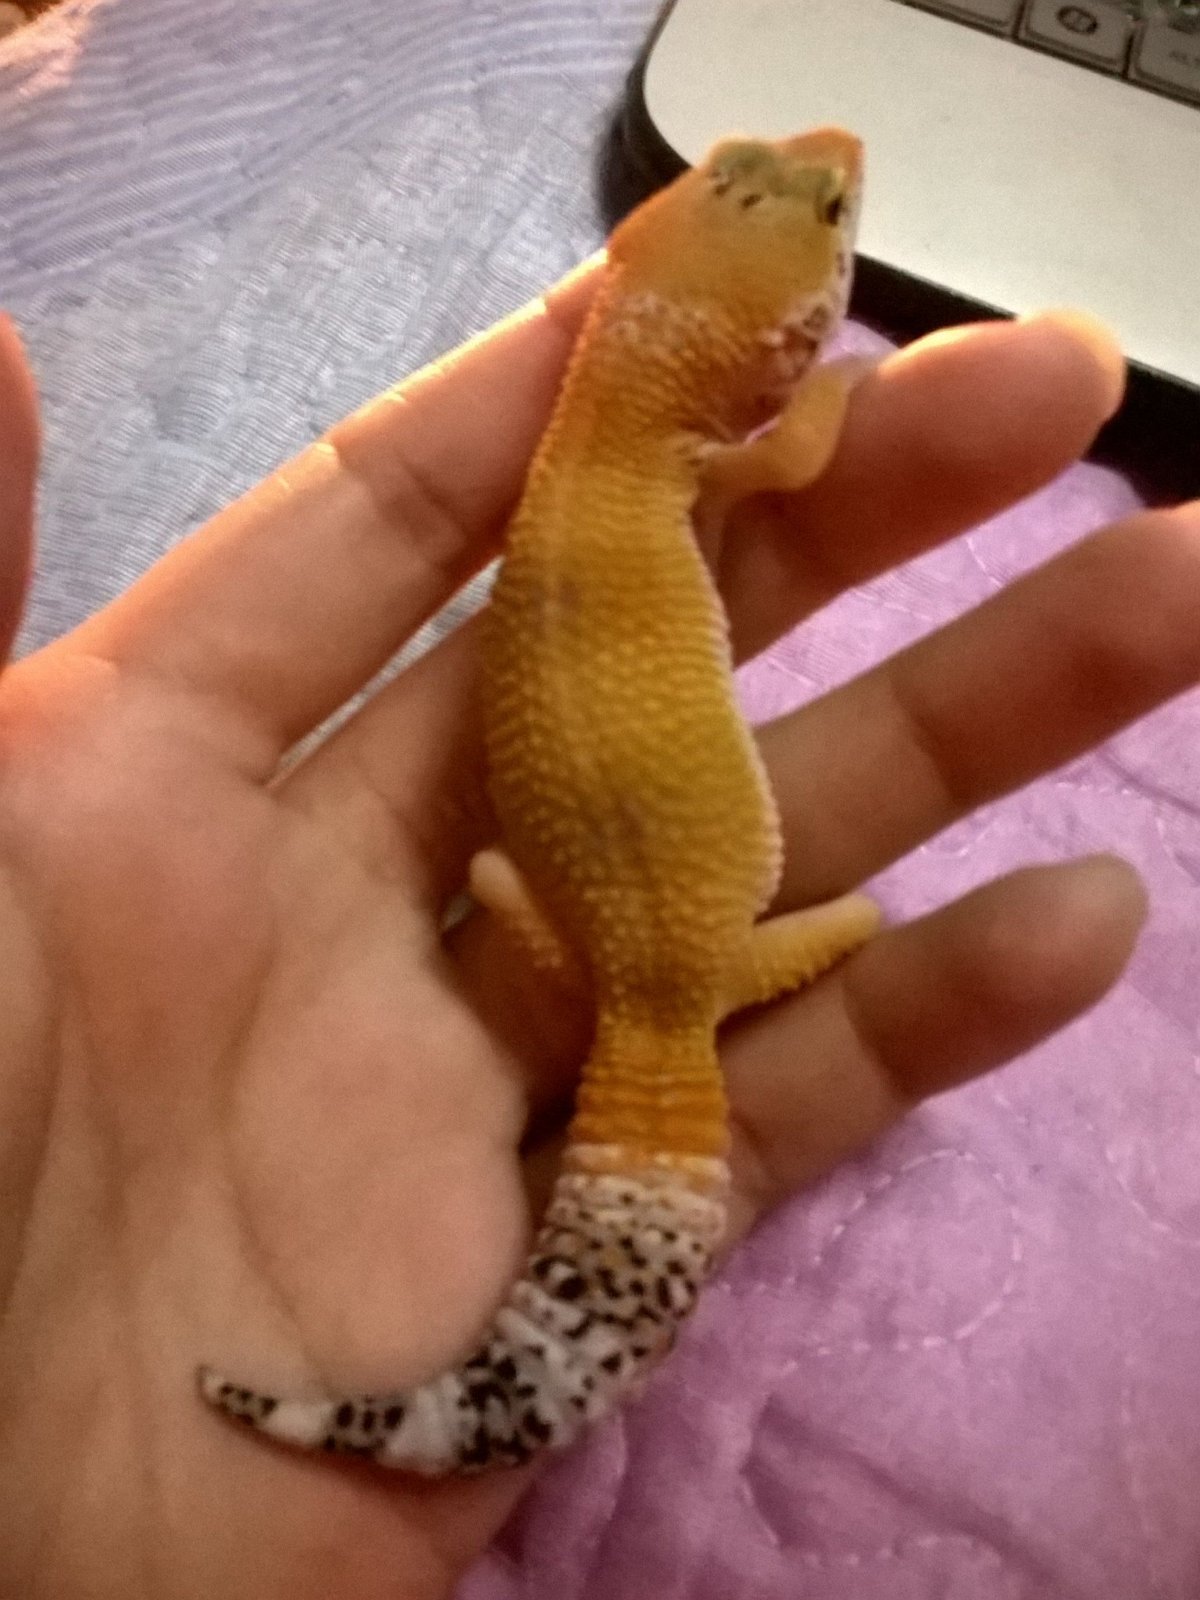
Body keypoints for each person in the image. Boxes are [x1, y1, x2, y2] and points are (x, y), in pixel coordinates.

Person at [0, 261, 1195, 1600]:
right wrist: (830, 397)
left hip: (645, 954)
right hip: (647, 958)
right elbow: (796, 452)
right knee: (860, 922)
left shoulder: (593, 452)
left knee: (849, 923)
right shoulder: (687, 462)